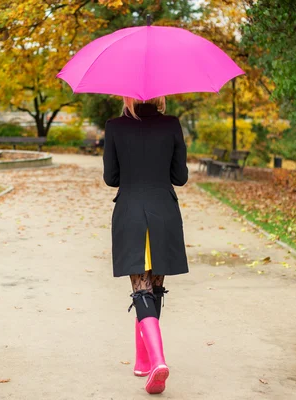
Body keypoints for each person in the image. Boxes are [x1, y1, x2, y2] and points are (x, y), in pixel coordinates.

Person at [103, 96, 188, 395]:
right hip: (163, 212)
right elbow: (181, 177)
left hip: (130, 214)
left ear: (127, 97)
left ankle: (156, 361)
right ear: (161, 96)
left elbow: (110, 178)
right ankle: (145, 361)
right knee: (155, 288)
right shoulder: (172, 125)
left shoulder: (114, 127)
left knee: (141, 288)